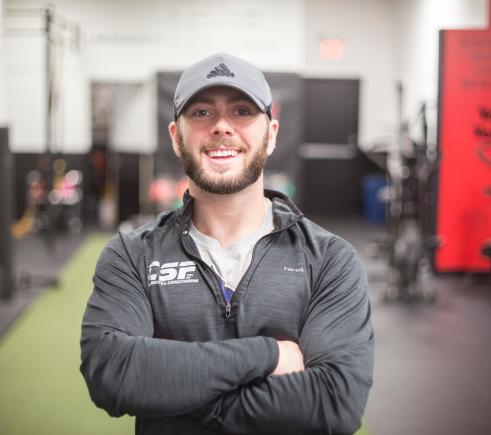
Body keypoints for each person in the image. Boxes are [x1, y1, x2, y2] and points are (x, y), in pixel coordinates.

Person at [80, 52, 374, 435]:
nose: (221, 126)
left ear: (270, 135)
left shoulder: (330, 260)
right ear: (175, 136)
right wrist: (267, 353)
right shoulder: (132, 254)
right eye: (201, 113)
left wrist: (176, 394)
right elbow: (113, 372)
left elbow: (335, 403)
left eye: (241, 112)